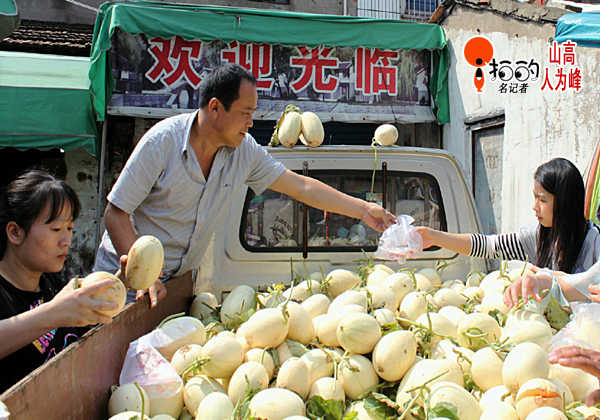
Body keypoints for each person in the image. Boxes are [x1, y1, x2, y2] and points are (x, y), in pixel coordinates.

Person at [94, 63, 395, 307]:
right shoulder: (162, 142)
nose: (251, 122)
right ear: (215, 108)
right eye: (246, 113)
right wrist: (143, 276)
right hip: (123, 283)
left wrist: (363, 209)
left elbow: (301, 187)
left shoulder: (244, 151)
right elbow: (115, 213)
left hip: (173, 285)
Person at [0, 168, 119, 393]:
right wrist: (54, 313)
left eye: (70, 228)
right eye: (55, 229)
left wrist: (125, 282)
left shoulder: (50, 281)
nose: (66, 240)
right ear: (15, 232)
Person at [416, 158, 600, 298]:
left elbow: (588, 286)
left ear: (565, 202)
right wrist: (437, 238)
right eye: (535, 197)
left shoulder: (594, 241)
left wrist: (546, 279)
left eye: (542, 200)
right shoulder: (539, 236)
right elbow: (489, 246)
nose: (535, 207)